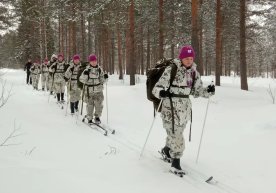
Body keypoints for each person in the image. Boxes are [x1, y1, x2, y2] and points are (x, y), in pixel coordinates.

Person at [152, 45, 215, 175]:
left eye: (191, 58)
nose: (189, 61)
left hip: (185, 110)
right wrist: (162, 92)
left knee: (176, 132)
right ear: (181, 58)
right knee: (176, 135)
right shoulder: (171, 70)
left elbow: (197, 91)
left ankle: (166, 150)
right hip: (170, 108)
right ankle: (176, 162)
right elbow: (156, 88)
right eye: (186, 58)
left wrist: (208, 91)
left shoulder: (194, 73)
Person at [79, 54, 108, 124]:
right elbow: (81, 79)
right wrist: (85, 75)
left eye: (95, 61)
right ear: (90, 62)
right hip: (89, 91)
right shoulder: (87, 70)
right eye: (92, 61)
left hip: (98, 90)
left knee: (99, 105)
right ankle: (89, 118)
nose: (94, 62)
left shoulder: (99, 69)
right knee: (90, 105)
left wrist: (105, 77)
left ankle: (97, 117)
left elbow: (102, 81)